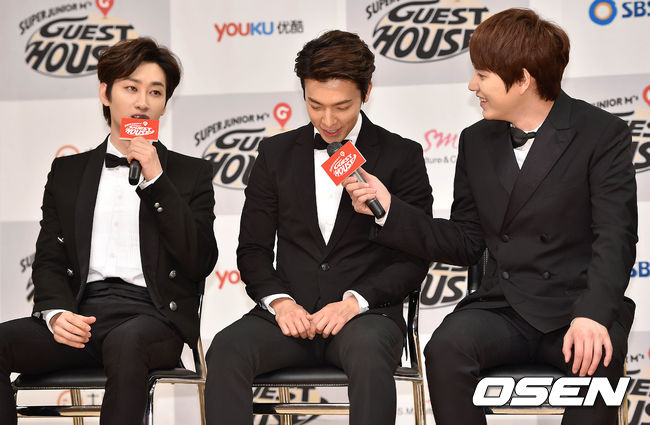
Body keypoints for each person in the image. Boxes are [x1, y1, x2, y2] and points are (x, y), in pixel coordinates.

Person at [343, 8, 637, 425]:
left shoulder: (602, 133)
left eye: (482, 75)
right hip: (504, 306)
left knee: (599, 356)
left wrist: (592, 314)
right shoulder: (476, 140)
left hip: (577, 304)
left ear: (523, 79)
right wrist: (389, 210)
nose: (472, 85)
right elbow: (466, 242)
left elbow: (616, 237)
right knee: (445, 349)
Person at [204, 30, 432, 425]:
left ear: (367, 92)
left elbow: (416, 254)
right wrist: (280, 303)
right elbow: (253, 249)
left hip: (365, 317)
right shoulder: (275, 153)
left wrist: (355, 301)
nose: (328, 120)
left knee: (368, 354)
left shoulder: (402, 155)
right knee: (226, 349)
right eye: (315, 105)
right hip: (288, 318)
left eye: (342, 106)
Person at [0, 37, 218, 425]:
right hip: (82, 314)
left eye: (155, 92)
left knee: (126, 343)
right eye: (131, 88)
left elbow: (199, 260)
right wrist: (55, 313)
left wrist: (157, 180)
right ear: (105, 93)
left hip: (153, 317)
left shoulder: (190, 174)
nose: (143, 102)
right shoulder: (68, 173)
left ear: (165, 103)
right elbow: (49, 257)